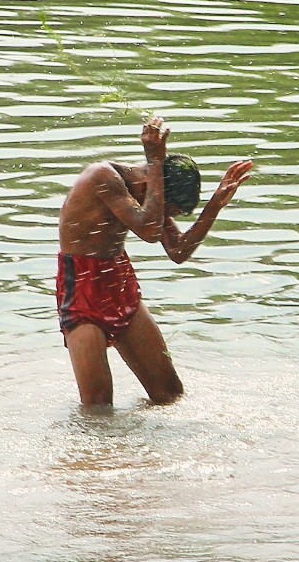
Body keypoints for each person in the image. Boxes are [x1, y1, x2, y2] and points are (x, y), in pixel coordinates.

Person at [56, 116, 252, 408]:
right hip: (82, 287)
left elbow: (178, 251)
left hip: (118, 281)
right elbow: (148, 230)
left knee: (169, 394)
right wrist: (156, 161)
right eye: (162, 207)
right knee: (98, 407)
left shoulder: (148, 192)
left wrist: (214, 205)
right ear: (152, 184)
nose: (162, 216)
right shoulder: (103, 177)